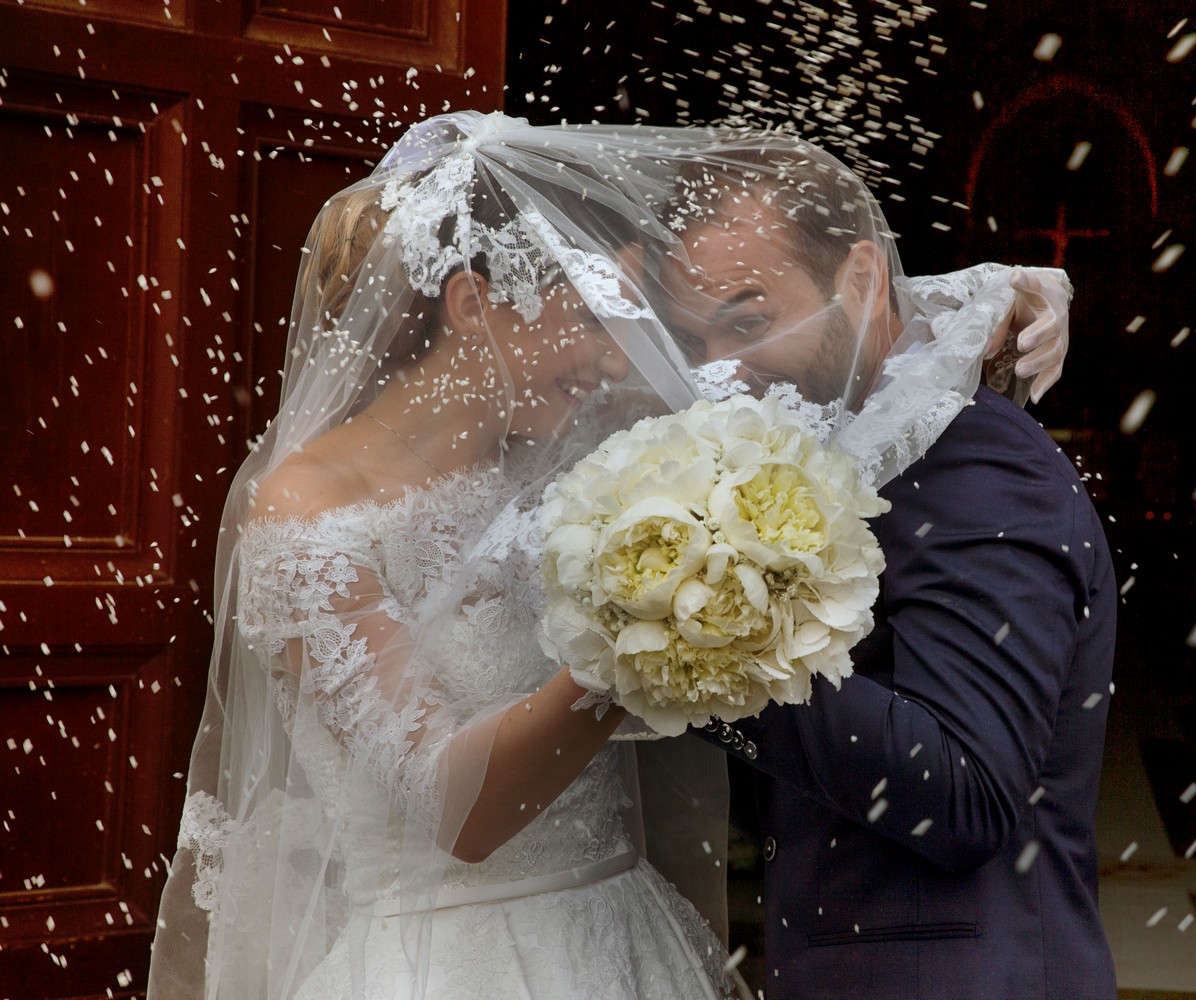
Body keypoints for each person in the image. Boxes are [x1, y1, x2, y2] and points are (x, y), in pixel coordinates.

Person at [147, 113, 1067, 1000]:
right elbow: (452, 807)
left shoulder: (565, 449)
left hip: (622, 931)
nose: (620, 360)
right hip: (452, 962)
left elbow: (811, 326)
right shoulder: (306, 512)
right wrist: (640, 639)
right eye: (595, 318)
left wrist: (993, 298)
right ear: (473, 305)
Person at [650, 136, 1117, 998]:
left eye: (747, 321)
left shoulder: (977, 459)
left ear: (862, 280)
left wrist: (704, 639)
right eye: (690, 339)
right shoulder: (831, 449)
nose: (715, 372)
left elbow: (966, 792)